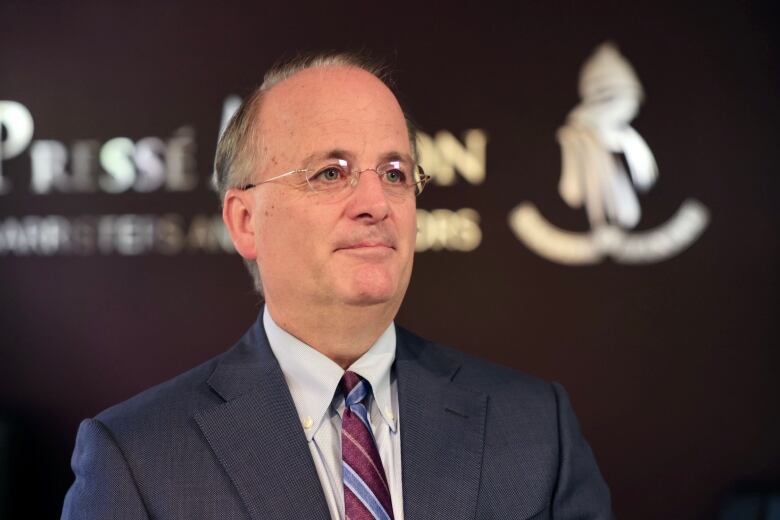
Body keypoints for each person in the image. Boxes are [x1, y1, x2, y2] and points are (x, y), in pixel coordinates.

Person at [61, 51, 613, 520]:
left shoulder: (537, 428)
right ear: (246, 221)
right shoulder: (137, 457)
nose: (377, 204)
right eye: (331, 172)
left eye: (395, 173)